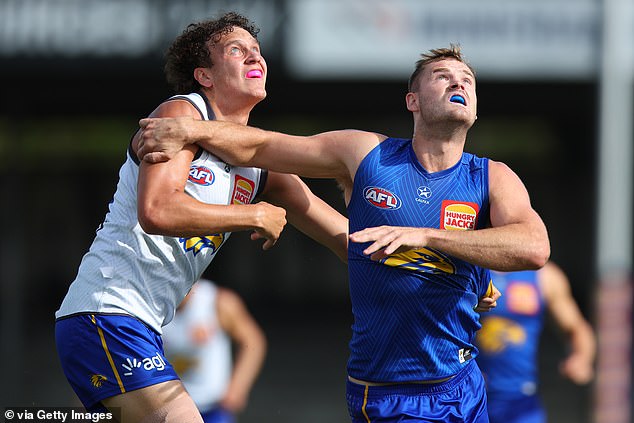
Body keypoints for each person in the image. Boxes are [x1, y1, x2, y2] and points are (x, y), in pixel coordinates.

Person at [137, 44, 550, 422]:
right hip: (393, 393)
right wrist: (191, 130)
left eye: (467, 80)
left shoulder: (493, 176)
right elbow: (263, 148)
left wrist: (430, 239)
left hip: (464, 383)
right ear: (413, 101)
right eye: (442, 75)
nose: (458, 81)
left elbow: (533, 247)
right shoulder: (366, 153)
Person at [54, 12, 348, 423]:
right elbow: (157, 211)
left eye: (258, 52)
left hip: (138, 327)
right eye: (237, 50)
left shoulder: (260, 164)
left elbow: (345, 239)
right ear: (204, 76)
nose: (255, 58)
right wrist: (250, 215)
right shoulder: (181, 115)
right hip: (107, 312)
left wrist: (442, 271)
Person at [475, 261, 596, 423]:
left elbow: (576, 327)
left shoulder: (545, 276)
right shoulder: (467, 269)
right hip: (470, 396)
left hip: (522, 401)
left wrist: (581, 357)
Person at [162, 279, 266, 423]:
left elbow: (253, 342)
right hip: (170, 410)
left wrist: (237, 388)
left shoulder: (218, 301)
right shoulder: (150, 307)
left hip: (213, 408)